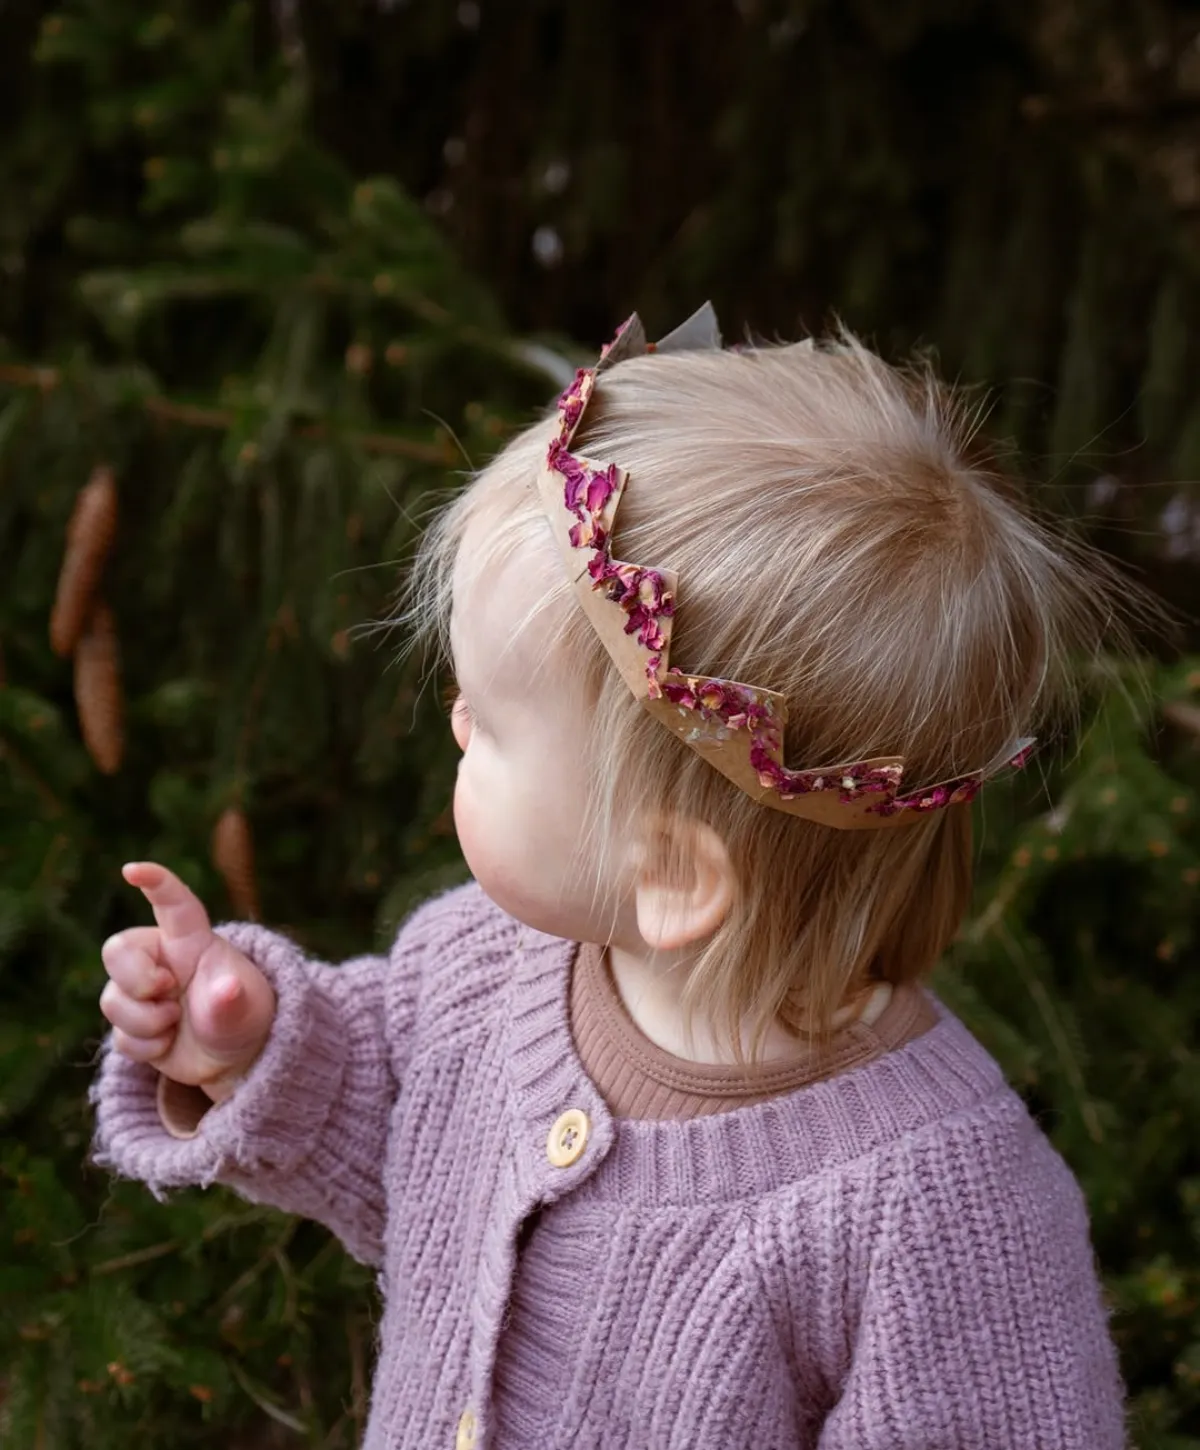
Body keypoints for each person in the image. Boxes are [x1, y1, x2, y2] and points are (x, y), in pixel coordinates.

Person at [92, 307, 1134, 1448]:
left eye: (486, 721)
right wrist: (249, 1049)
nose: (450, 719)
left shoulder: (935, 1211)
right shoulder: (488, 967)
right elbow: (396, 1122)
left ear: (674, 873)